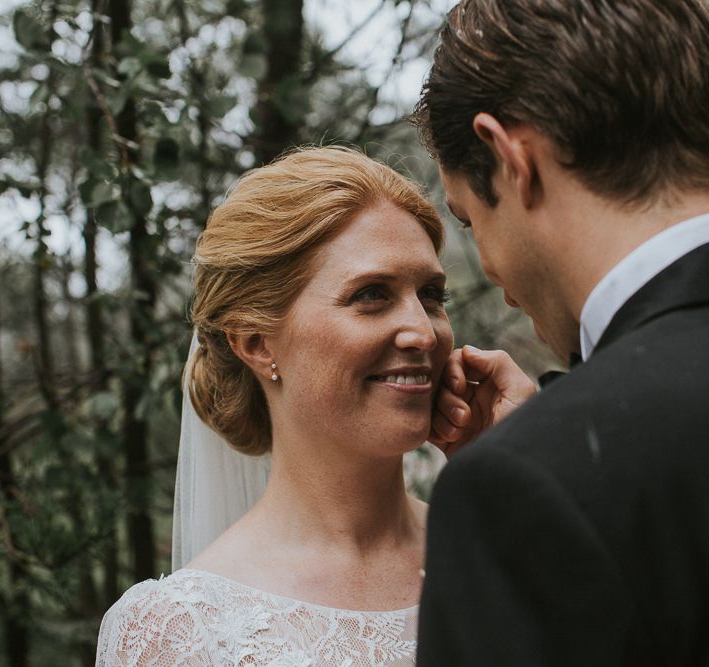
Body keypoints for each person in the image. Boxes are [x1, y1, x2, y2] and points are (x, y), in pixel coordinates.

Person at [95, 145, 532, 666]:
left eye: (432, 296)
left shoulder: (509, 552)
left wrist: (520, 479)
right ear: (257, 342)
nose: (422, 331)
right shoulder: (180, 632)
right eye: (371, 294)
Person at [413, 0, 709, 665]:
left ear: (509, 157)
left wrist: (552, 452)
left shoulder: (522, 488)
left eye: (467, 220)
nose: (487, 268)